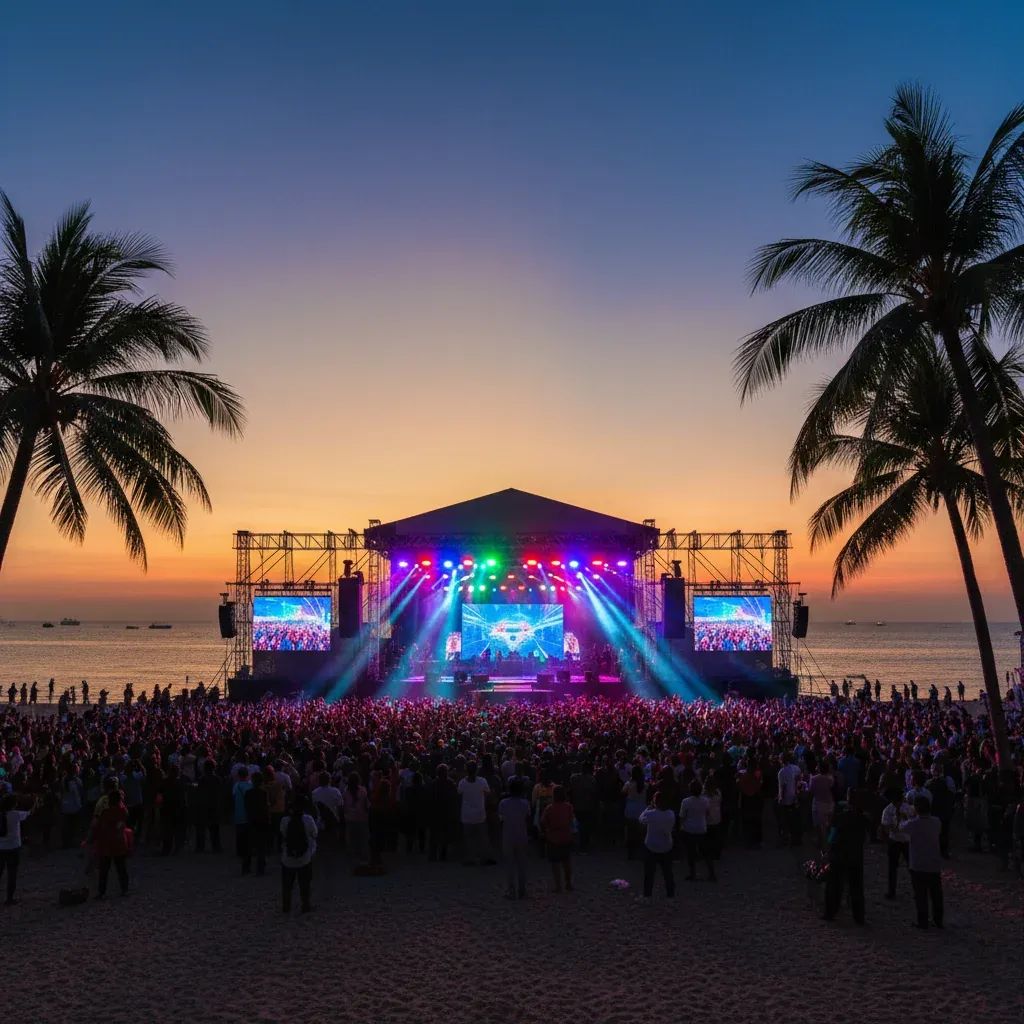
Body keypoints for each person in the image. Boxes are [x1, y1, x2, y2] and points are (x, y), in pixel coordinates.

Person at [823, 802, 867, 924]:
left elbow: (832, 838)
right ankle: (859, 917)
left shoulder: (839, 818)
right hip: (855, 857)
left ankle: (830, 912)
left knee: (834, 887)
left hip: (839, 856)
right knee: (856, 889)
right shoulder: (862, 819)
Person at [903, 796, 943, 929]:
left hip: (918, 864)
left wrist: (909, 816)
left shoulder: (913, 824)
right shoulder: (936, 821)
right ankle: (938, 919)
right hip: (934, 863)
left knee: (920, 895)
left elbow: (901, 827)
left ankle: (923, 921)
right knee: (936, 894)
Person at [280, 796, 317, 914]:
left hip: (288, 857)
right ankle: (305, 905)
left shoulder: (285, 820)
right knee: (305, 883)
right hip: (304, 857)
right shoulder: (308, 819)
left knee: (287, 885)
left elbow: (283, 834)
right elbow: (315, 833)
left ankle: (286, 906)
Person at [638, 790, 676, 901]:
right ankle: (670, 893)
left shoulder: (651, 814)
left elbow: (641, 819)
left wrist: (648, 808)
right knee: (668, 872)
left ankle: (647, 894)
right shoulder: (671, 814)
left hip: (651, 846)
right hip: (666, 845)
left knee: (649, 873)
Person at [93, 788, 131, 898]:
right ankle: (124, 889)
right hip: (119, 843)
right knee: (121, 869)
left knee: (104, 870)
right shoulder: (123, 811)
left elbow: (99, 827)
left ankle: (102, 891)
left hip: (107, 845)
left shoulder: (105, 813)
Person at [498, 778, 531, 899]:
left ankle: (511, 890)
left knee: (509, 865)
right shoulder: (525, 803)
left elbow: (501, 820)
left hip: (508, 835)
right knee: (522, 864)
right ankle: (522, 889)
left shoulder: (503, 803)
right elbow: (528, 819)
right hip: (522, 835)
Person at [540, 785, 575, 893]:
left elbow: (543, 822)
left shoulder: (549, 808)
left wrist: (545, 832)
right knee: (566, 861)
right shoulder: (568, 807)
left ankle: (558, 886)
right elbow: (571, 820)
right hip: (566, 836)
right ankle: (568, 883)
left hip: (553, 838)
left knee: (555, 863)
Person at [679, 780, 715, 881]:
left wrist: (681, 826)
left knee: (691, 853)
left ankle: (692, 874)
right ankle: (711, 873)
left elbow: (682, 816)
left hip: (689, 829)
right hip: (701, 828)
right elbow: (707, 813)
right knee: (706, 852)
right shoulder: (705, 800)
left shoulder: (685, 801)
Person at [880, 790, 913, 899]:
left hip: (906, 840)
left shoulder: (908, 808)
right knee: (892, 868)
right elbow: (885, 826)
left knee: (912, 867)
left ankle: (916, 889)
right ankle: (891, 891)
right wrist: (891, 829)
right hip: (894, 840)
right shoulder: (888, 810)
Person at [457, 762, 492, 866]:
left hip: (467, 815)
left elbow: (459, 794)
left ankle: (470, 858)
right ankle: (483, 858)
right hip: (480, 814)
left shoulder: (462, 782)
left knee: (469, 839)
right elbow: (488, 793)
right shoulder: (482, 781)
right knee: (482, 838)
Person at [0, 793, 31, 905]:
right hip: (13, 848)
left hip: (1, 848)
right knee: (12, 874)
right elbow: (28, 814)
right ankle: (9, 898)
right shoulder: (16, 814)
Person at [243, 772, 271, 875]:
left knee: (249, 845)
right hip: (262, 821)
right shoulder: (263, 793)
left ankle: (246, 867)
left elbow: (246, 806)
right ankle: (260, 868)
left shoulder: (248, 793)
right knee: (261, 846)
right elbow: (265, 808)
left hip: (251, 820)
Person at [342, 772, 370, 865]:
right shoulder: (363, 790)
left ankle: (352, 858)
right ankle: (363, 856)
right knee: (363, 838)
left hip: (350, 818)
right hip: (362, 817)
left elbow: (344, 805)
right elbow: (367, 805)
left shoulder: (346, 791)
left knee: (351, 838)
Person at [232, 766, 253, 874]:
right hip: (247, 815)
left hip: (238, 814)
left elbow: (234, 797)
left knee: (239, 835)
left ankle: (240, 852)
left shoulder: (236, 786)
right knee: (247, 837)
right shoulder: (250, 786)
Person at [777, 755, 801, 846]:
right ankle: (794, 838)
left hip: (786, 799)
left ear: (782, 761)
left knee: (784, 820)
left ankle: (785, 838)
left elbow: (783, 787)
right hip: (794, 797)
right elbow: (798, 780)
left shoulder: (781, 772)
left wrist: (780, 799)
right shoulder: (796, 768)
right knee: (793, 819)